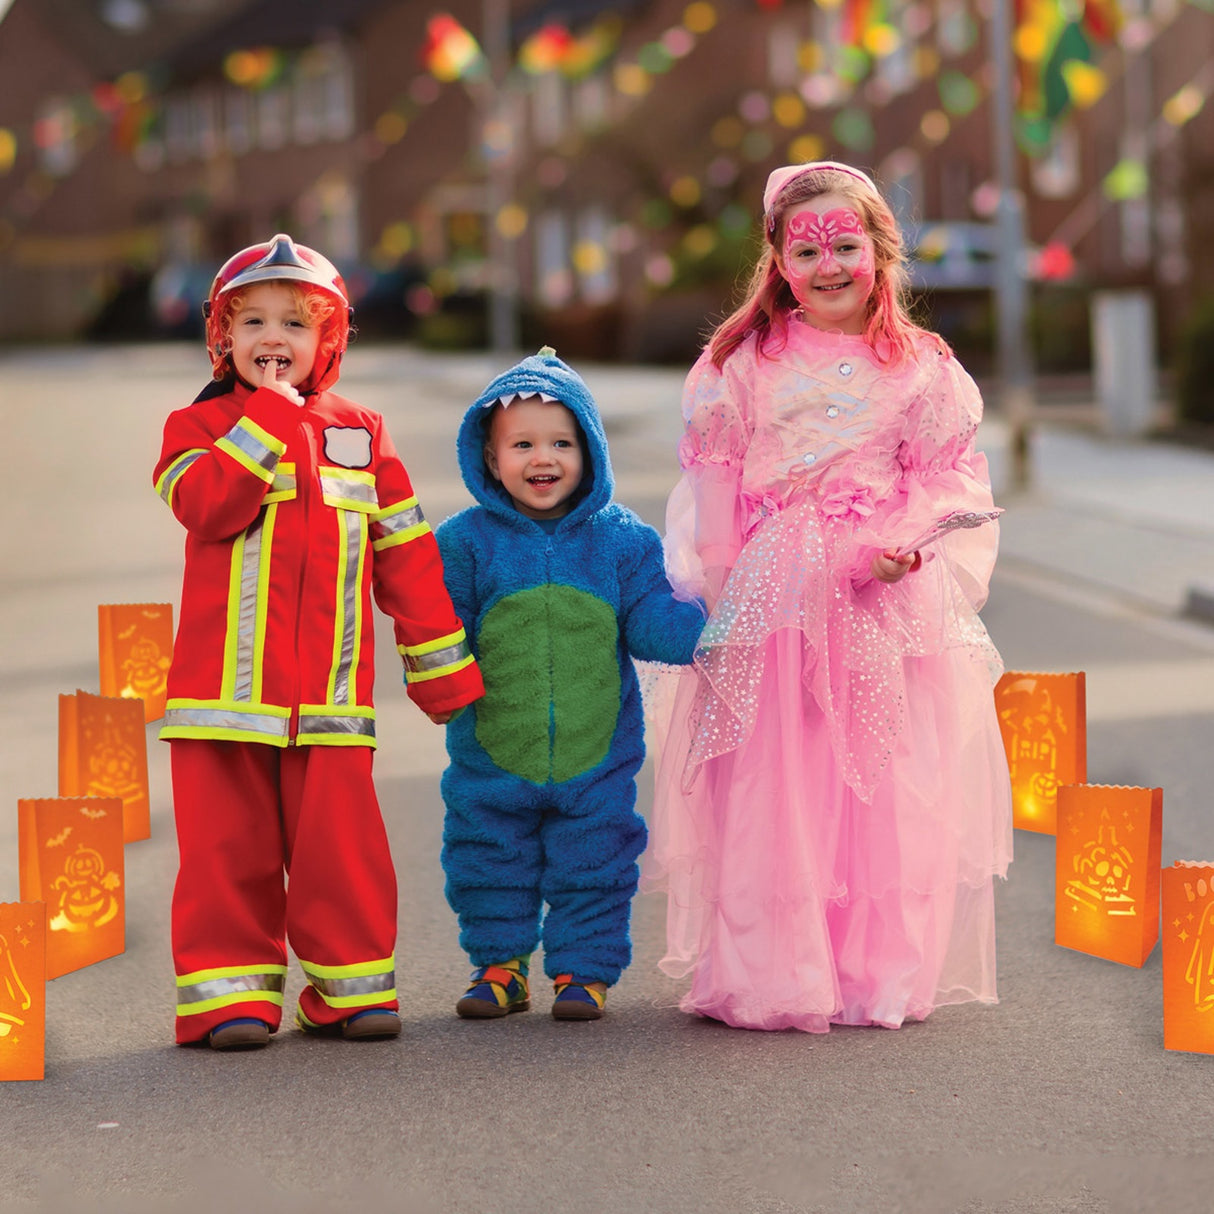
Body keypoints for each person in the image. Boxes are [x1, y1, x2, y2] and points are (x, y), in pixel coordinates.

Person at [643, 161, 1014, 1033]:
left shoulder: (923, 368)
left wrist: (905, 547)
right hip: (775, 603)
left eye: (846, 245)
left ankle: (872, 969)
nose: (830, 266)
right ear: (777, 261)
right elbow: (715, 490)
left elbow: (945, 476)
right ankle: (772, 969)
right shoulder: (741, 365)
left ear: (881, 252)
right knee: (782, 781)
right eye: (806, 252)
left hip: (882, 603)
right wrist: (723, 603)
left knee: (881, 782)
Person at [153, 234, 484, 1050]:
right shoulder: (193, 427)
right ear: (220, 338)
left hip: (330, 704)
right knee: (228, 856)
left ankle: (350, 992)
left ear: (327, 342)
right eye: (253, 320)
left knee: (343, 855)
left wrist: (440, 672)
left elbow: (405, 558)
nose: (274, 338)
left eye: (296, 324)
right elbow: (209, 509)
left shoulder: (364, 434)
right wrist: (267, 418)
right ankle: (229, 1001)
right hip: (222, 704)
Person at [435, 347, 704, 1020]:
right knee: (488, 858)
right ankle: (498, 967)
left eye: (561, 442)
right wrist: (433, 671)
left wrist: (703, 621)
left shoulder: (622, 542)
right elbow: (439, 628)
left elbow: (649, 622)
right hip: (492, 750)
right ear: (490, 460)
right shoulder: (464, 543)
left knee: (597, 860)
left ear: (589, 453)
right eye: (521, 444)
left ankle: (584, 970)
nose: (542, 458)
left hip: (596, 756)